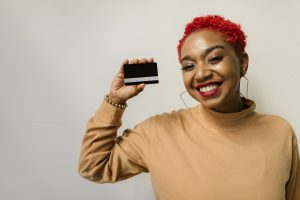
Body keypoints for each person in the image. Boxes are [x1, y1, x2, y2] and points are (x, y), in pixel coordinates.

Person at [78, 15, 300, 199]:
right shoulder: (157, 132)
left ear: (243, 63)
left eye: (214, 58)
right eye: (189, 66)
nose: (201, 73)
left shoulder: (279, 132)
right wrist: (114, 101)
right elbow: (92, 166)